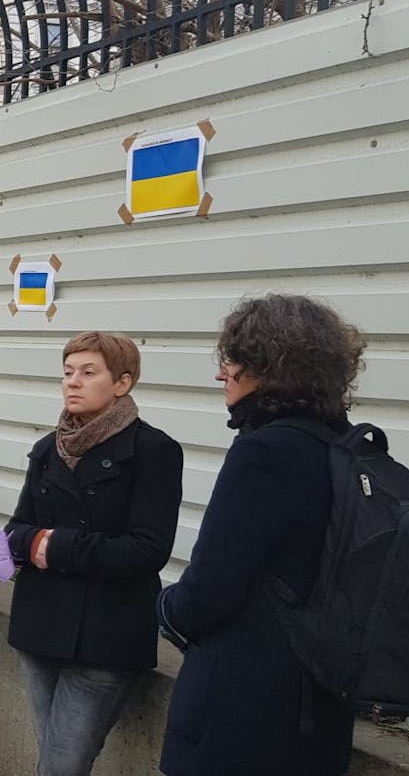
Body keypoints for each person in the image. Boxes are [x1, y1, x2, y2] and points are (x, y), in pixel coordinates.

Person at [157, 295, 365, 776]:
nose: (220, 373)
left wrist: (165, 610)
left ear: (267, 366)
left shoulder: (265, 453)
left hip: (242, 707)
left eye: (231, 359)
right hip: (319, 700)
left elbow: (212, 588)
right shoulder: (344, 447)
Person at [5, 332, 182, 776]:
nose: (73, 383)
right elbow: (17, 528)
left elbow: (148, 549)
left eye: (88, 373)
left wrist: (53, 546)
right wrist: (31, 543)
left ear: (122, 383)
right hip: (40, 626)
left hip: (105, 632)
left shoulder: (153, 451)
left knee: (61, 766)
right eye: (68, 373)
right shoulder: (48, 448)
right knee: (55, 761)